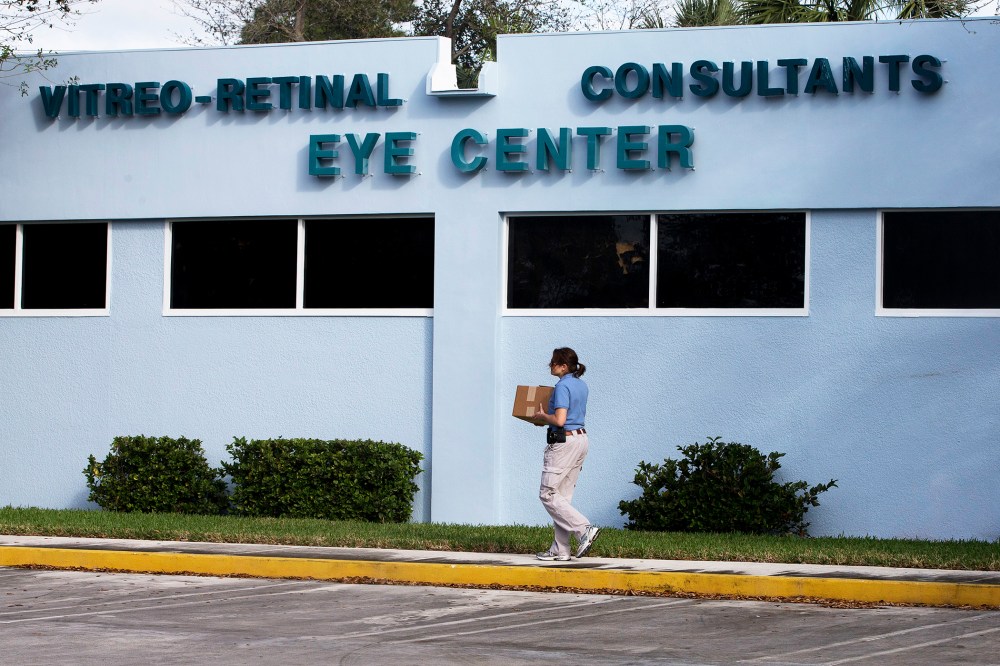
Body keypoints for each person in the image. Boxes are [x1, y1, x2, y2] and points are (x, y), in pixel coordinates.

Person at [532, 347, 600, 561]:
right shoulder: (581, 385)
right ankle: (561, 550)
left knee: (548, 494)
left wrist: (543, 416)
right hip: (581, 440)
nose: (550, 365)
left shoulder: (562, 386)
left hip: (564, 442)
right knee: (562, 498)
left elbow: (560, 420)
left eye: (553, 362)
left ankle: (584, 530)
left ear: (563, 366)